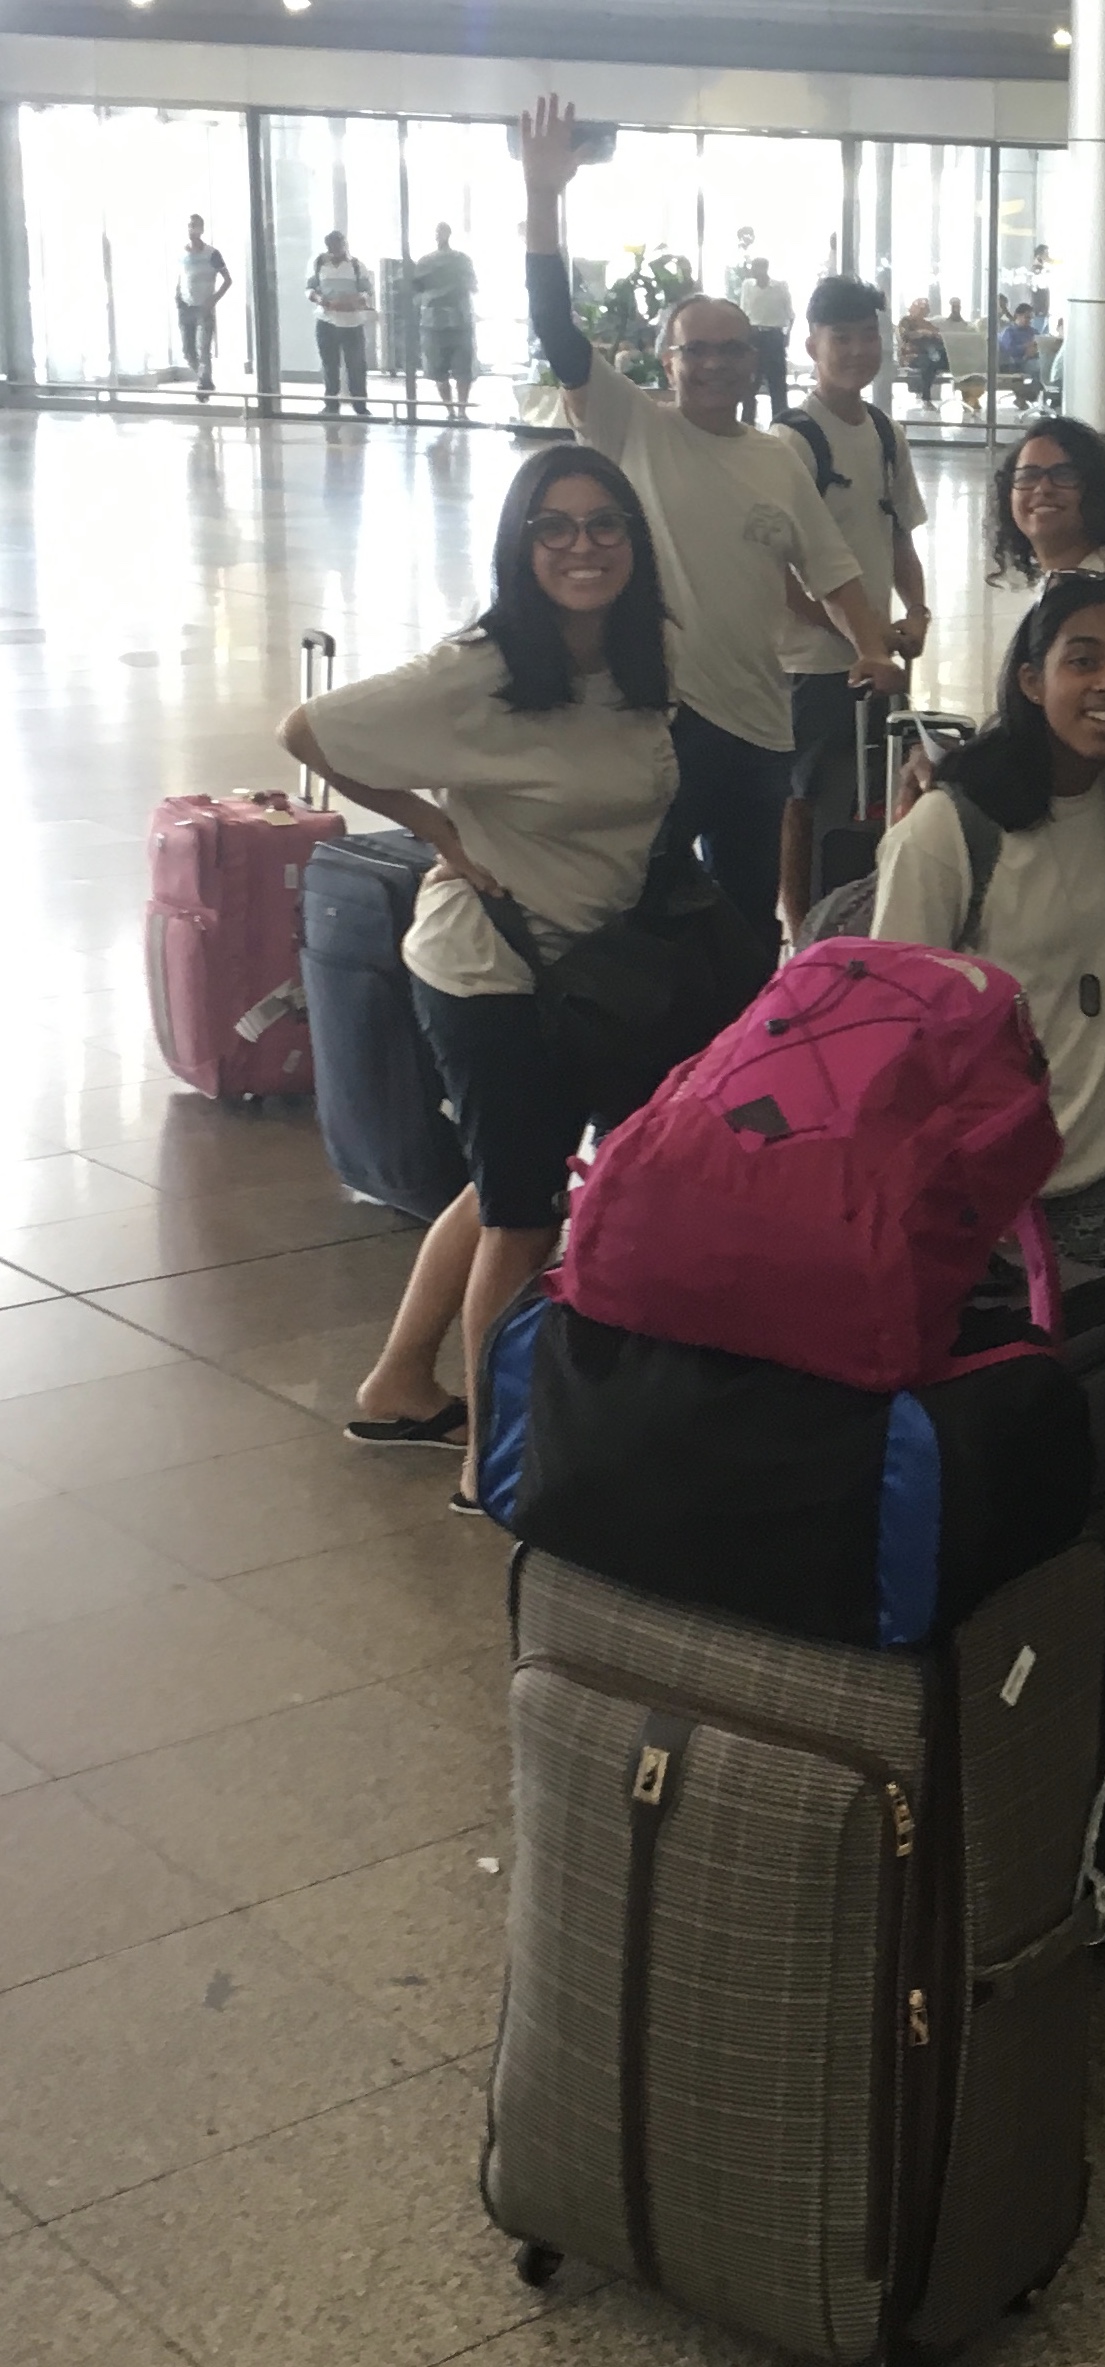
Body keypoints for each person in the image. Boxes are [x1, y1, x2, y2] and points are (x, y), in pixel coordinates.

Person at [286, 446, 679, 1506]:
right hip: (487, 969)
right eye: (554, 526)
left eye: (604, 523)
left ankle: (398, 1384)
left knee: (509, 1180)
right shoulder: (484, 667)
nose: (583, 546)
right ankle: (492, 1465)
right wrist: (437, 830)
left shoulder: (642, 658)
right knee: (524, 1214)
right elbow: (308, 730)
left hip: (574, 967)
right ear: (520, 546)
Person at [521, 94, 899, 952]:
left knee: (743, 921)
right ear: (669, 360)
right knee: (638, 906)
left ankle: (734, 1032)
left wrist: (873, 648)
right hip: (658, 719)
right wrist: (544, 197)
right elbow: (555, 327)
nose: (716, 364)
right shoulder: (632, 425)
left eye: (732, 349)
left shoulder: (776, 458)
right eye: (697, 349)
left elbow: (833, 568)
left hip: (760, 725)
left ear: (754, 360)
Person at [872, 573, 1105, 1266]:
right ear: (1032, 680)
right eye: (1083, 660)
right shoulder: (949, 832)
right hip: (1004, 1199)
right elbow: (888, 1037)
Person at [775, 275, 932, 939]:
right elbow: (781, 575)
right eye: (842, 337)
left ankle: (864, 917)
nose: (858, 350)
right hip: (811, 662)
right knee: (802, 797)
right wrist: (857, 635)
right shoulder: (791, 442)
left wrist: (916, 612)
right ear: (812, 344)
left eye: (869, 336)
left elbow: (898, 536)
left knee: (882, 783)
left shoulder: (885, 434)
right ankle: (798, 931)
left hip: (876, 658)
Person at [986, 415, 1105, 586]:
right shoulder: (1053, 585)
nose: (1043, 488)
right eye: (1028, 476)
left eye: (1063, 475)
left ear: (1097, 490)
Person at [408, 223, 479, 420]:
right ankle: (451, 410)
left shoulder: (462, 260)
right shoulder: (425, 262)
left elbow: (473, 285)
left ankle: (461, 409)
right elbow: (416, 292)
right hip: (434, 323)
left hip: (459, 322)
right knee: (438, 371)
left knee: (462, 369)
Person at [308, 232, 375, 417]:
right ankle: (331, 404)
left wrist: (355, 300)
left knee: (356, 365)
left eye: (338, 245)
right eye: (331, 246)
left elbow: (367, 291)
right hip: (327, 321)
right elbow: (310, 288)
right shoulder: (319, 264)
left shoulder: (356, 266)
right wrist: (320, 300)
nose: (335, 249)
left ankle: (360, 405)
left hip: (352, 322)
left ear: (344, 245)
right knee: (329, 365)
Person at [176, 214, 232, 400]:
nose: (192, 230)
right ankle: (205, 380)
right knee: (188, 351)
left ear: (202, 229)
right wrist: (178, 298)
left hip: (204, 307)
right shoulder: (182, 254)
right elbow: (182, 278)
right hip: (186, 306)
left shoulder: (211, 254)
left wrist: (214, 299)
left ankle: (203, 387)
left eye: (195, 226)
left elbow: (227, 279)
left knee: (203, 349)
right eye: (189, 226)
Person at [737, 259, 797, 421]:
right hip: (754, 336)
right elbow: (743, 312)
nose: (753, 271)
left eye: (757, 268)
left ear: (765, 269)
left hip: (774, 337)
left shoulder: (779, 287)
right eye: (752, 268)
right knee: (750, 382)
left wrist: (787, 336)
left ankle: (781, 421)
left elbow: (791, 315)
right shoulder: (747, 286)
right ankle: (747, 422)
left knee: (777, 382)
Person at [900, 298, 948, 407]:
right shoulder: (906, 321)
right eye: (920, 309)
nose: (922, 312)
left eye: (925, 309)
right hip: (911, 355)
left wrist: (936, 335)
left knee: (946, 359)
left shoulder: (927, 323)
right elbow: (905, 335)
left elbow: (938, 335)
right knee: (928, 363)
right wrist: (921, 333)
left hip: (931, 354)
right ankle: (926, 397)